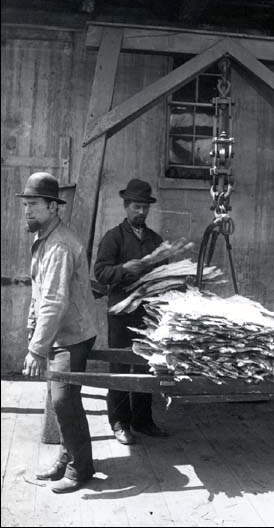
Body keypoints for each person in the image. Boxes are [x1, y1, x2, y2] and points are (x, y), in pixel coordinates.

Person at [17, 172, 98, 494]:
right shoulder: (44, 238)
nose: (27, 211)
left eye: (34, 205)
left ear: (53, 207)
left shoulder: (60, 245)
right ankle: (68, 458)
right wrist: (32, 330)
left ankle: (81, 470)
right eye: (25, 205)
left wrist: (37, 350)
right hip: (60, 333)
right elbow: (39, 294)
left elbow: (53, 301)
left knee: (64, 402)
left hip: (73, 335)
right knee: (62, 401)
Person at [94, 179, 168, 445]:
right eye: (136, 207)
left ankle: (143, 420)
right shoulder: (113, 237)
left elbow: (164, 274)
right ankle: (119, 422)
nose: (141, 212)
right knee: (121, 366)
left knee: (147, 366)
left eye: (145, 208)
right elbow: (100, 273)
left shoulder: (155, 240)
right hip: (121, 314)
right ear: (126, 207)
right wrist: (127, 269)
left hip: (147, 315)